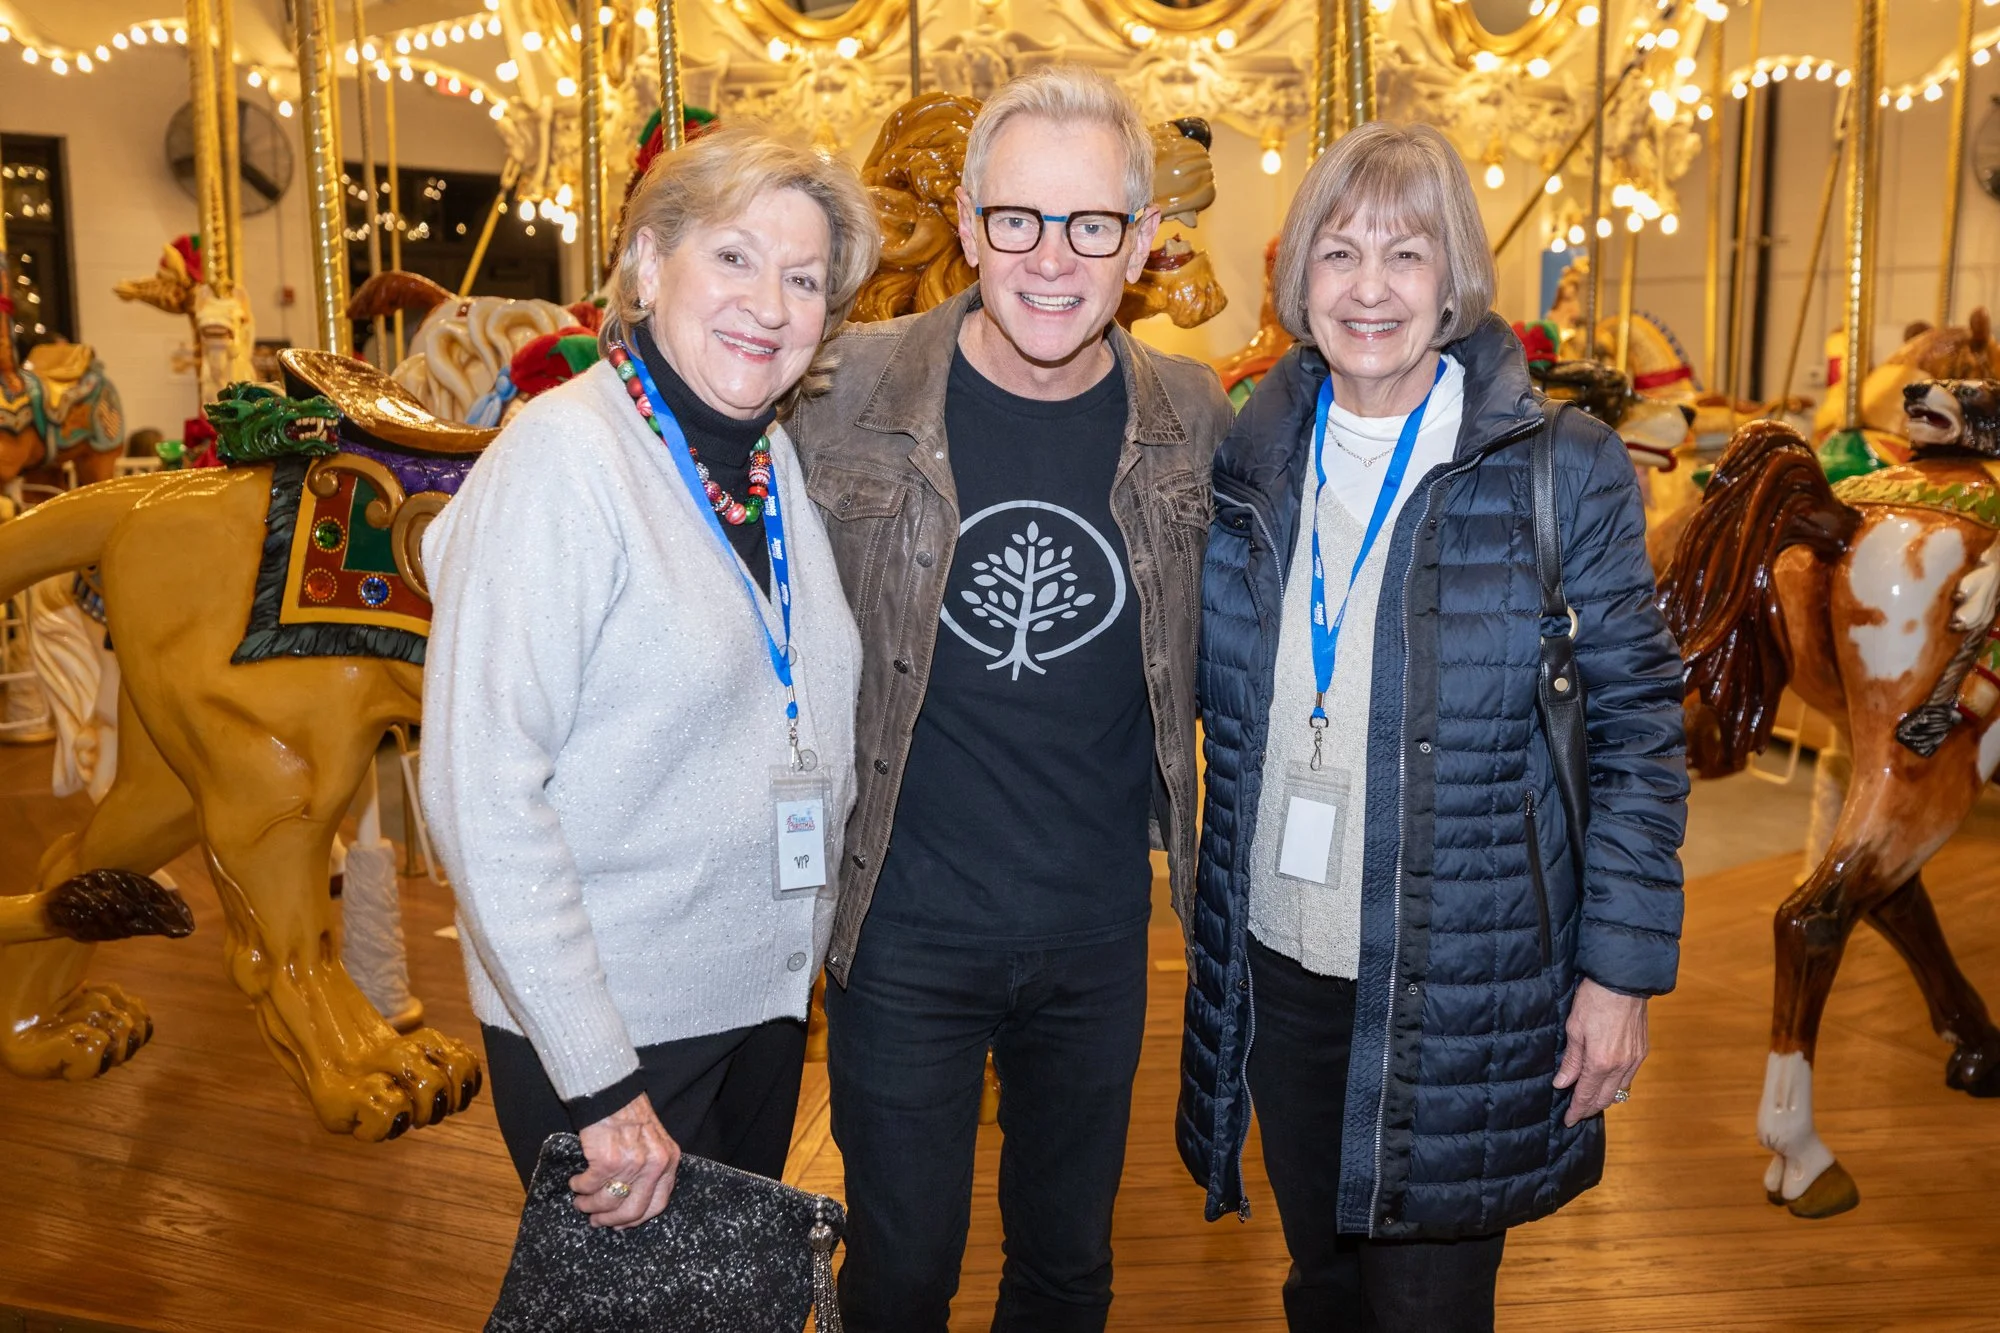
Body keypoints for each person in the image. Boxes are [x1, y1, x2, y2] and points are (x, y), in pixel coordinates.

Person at [1177, 121, 1689, 1331]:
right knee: (1320, 1287)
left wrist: (1618, 972)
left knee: (1427, 1304)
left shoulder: (1552, 466)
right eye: (1338, 253)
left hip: (1462, 979)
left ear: (1452, 278)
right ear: (1295, 276)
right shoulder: (1243, 461)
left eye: (1404, 257)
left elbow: (1634, 734)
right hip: (1281, 966)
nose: (1367, 289)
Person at [788, 65, 1233, 1332]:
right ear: (972, 226)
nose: (1053, 257)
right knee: (900, 1272)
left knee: (1064, 1272)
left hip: (1098, 933)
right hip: (903, 925)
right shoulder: (840, 395)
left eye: (1091, 224)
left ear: (1142, 244)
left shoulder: (1189, 417)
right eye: (1020, 220)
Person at [420, 127, 879, 1228]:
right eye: (732, 256)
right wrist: (600, 1080)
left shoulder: (768, 460)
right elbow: (481, 793)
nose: (768, 303)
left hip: (756, 1007)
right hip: (614, 1036)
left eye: (803, 277)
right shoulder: (561, 460)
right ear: (644, 265)